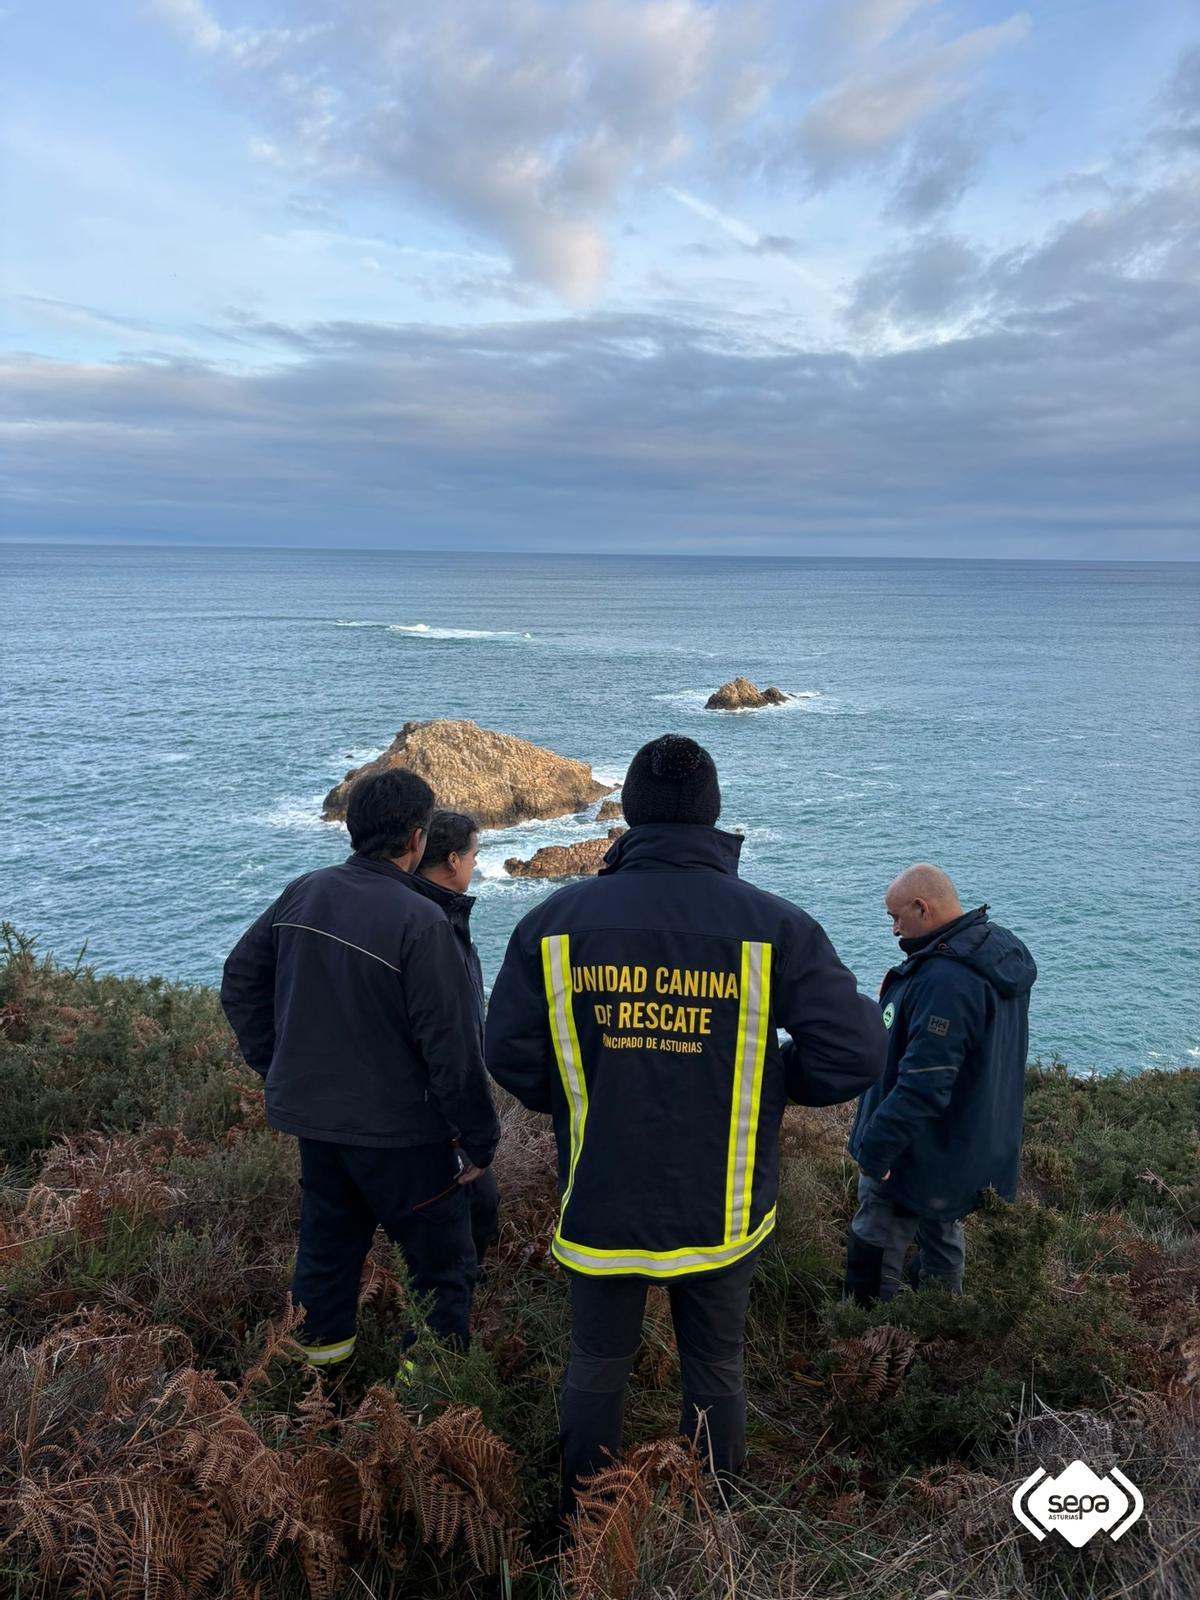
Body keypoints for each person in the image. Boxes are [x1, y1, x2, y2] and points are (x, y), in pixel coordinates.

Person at [484, 734, 887, 1513]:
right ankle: (714, 1520)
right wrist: (768, 1085)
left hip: (601, 1189)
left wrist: (581, 1092)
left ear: (628, 812)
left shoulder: (552, 922)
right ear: (715, 817)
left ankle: (586, 1528)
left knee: (597, 1365)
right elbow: (858, 1051)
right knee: (716, 1369)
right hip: (723, 1198)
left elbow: (506, 1051)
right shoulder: (775, 926)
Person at [220, 768, 500, 1367]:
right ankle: (429, 1408)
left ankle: (314, 1395)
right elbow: (452, 1049)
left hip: (319, 1124)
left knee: (326, 1257)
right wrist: (480, 1140)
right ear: (419, 839)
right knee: (441, 1272)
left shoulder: (304, 890)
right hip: (405, 1138)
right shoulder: (423, 923)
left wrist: (278, 1068)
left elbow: (241, 981)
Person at [845, 863, 1037, 1305]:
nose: (894, 930)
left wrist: (878, 1148)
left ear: (922, 907)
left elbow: (925, 1082)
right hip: (963, 1145)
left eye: (896, 917)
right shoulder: (997, 952)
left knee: (874, 1244)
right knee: (942, 1239)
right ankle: (941, 1332)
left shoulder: (946, 979)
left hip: (916, 1148)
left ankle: (862, 1350)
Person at [411, 809, 500, 1268]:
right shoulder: (434, 926)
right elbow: (454, 1043)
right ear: (450, 860)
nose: (477, 866)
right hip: (432, 1123)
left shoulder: (413, 912)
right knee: (460, 1234)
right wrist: (479, 1139)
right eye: (474, 856)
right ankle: (450, 1326)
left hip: (387, 1114)